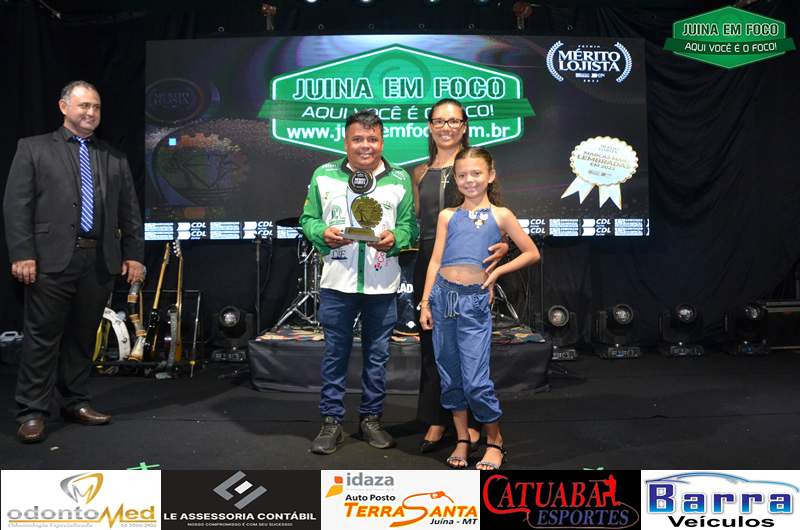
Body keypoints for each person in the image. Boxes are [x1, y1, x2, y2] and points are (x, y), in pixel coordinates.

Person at [3, 80, 145, 443]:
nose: (91, 113)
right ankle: (32, 412)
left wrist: (133, 255)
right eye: (84, 106)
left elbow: (130, 212)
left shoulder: (114, 156)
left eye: (96, 107)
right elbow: (17, 206)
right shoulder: (33, 148)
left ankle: (75, 401)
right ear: (63, 107)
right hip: (49, 260)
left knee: (83, 338)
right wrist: (22, 254)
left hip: (98, 260)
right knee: (42, 338)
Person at [300, 110, 418, 455]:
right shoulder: (323, 175)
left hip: (382, 284)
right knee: (334, 354)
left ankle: (371, 419)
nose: (366, 145)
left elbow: (409, 226)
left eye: (372, 139)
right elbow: (308, 219)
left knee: (377, 356)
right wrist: (322, 232)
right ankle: (331, 422)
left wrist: (396, 238)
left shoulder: (399, 178)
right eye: (358, 139)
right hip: (338, 282)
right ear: (345, 141)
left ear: (382, 141)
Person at [419, 147, 539, 469]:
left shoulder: (502, 215)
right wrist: (426, 302)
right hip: (443, 299)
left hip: (474, 301)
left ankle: (494, 441)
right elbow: (435, 260)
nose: (469, 180)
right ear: (455, 180)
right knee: (450, 376)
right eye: (462, 175)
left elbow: (531, 253)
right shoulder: (447, 216)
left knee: (475, 380)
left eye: (476, 173)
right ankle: (462, 439)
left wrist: (497, 272)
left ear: (491, 175)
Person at [412, 99, 507, 453]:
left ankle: (476, 424)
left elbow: (494, 217)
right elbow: (418, 221)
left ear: (464, 126)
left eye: (453, 121)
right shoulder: (419, 172)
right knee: (433, 347)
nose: (446, 127)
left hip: (471, 267)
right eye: (439, 121)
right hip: (429, 263)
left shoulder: (473, 166)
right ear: (430, 126)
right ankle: (437, 419)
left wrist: (501, 251)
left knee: (469, 354)